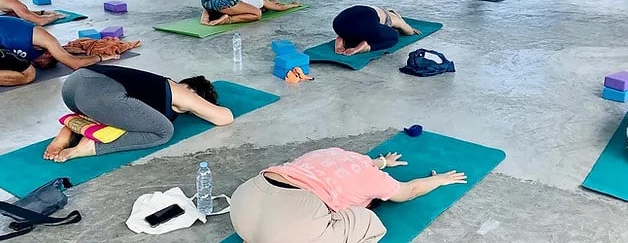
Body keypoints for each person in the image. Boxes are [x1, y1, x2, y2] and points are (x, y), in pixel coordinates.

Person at [230, 148, 466, 243]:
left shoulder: (327, 154)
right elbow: (409, 191)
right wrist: (439, 179)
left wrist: (382, 162)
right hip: (291, 229)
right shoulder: (371, 177)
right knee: (371, 223)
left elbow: (360, 163)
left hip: (243, 204)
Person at [42, 64, 234, 162]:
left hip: (72, 87)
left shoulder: (154, 88)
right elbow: (224, 118)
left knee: (120, 117)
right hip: (96, 92)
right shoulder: (182, 92)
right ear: (193, 91)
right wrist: (201, 104)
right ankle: (84, 148)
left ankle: (70, 129)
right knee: (164, 131)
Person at [0, 17, 119, 87]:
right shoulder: (47, 40)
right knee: (29, 74)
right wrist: (100, 57)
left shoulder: (37, 45)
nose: (39, 64)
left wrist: (65, 50)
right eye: (43, 63)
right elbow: (75, 64)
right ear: (49, 53)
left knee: (23, 67)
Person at [333, 5, 422, 56]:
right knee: (394, 37)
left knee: (358, 30)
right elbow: (408, 31)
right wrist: (410, 29)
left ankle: (343, 37)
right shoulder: (392, 17)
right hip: (364, 27)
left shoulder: (375, 9)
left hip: (339, 23)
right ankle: (366, 47)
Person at [200, 0, 302, 26]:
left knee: (218, 7)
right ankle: (227, 19)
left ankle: (206, 16)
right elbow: (279, 7)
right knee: (257, 14)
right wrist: (292, 5)